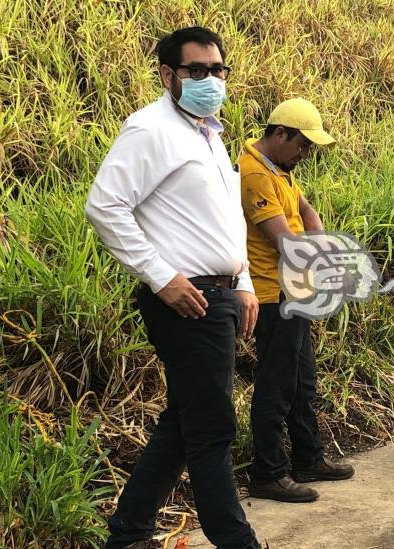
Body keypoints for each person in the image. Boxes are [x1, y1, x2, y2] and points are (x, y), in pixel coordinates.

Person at [85, 26, 260, 549]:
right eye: (197, 71)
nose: (211, 80)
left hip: (222, 295)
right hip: (188, 302)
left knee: (185, 422)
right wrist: (162, 278)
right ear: (168, 75)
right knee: (211, 429)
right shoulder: (150, 129)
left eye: (218, 70)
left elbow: (226, 218)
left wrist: (245, 282)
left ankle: (129, 532)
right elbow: (105, 206)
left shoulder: (211, 133)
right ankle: (237, 541)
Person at [238, 98, 355, 503]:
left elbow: (306, 210)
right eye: (303, 145)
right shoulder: (253, 173)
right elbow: (284, 242)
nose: (305, 155)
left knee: (302, 381)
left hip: (294, 290)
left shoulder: (279, 169)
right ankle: (267, 473)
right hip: (272, 294)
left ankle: (308, 457)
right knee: (276, 384)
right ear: (280, 133)